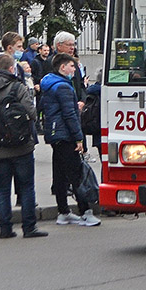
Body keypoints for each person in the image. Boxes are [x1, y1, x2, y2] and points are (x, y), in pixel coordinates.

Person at [0, 52, 47, 239]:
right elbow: (32, 113)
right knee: (26, 187)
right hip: (20, 146)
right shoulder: (17, 87)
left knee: (2, 189)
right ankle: (29, 227)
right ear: (10, 69)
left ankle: (5, 228)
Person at [41, 52, 99, 227]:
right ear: (62, 67)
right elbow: (70, 114)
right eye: (72, 66)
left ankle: (63, 211)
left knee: (60, 174)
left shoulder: (49, 84)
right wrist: (78, 138)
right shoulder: (64, 87)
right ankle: (85, 212)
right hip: (66, 134)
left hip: (55, 134)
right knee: (76, 174)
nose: (74, 69)